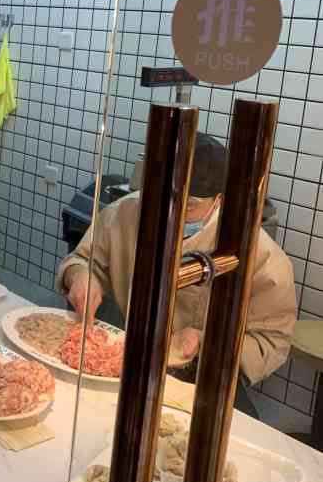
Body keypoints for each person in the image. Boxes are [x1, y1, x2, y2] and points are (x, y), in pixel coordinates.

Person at [56, 133, 296, 409]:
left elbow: (271, 340)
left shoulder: (258, 254)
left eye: (190, 203)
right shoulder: (125, 212)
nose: (173, 209)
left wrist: (202, 341)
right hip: (132, 362)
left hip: (203, 381)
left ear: (218, 199)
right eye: (165, 195)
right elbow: (84, 259)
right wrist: (81, 276)